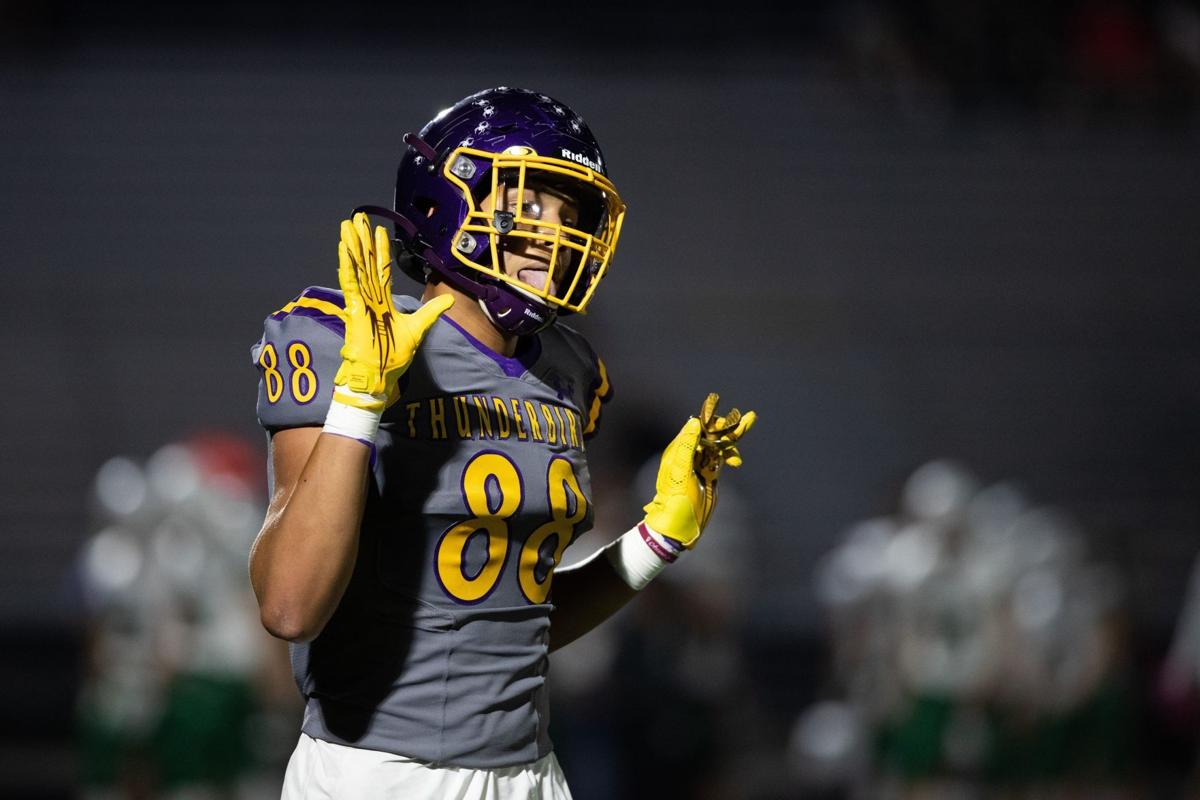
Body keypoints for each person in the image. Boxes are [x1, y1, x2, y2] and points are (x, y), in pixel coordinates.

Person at [248, 87, 755, 798]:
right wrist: (361, 399)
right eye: (529, 205)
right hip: (384, 774)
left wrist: (651, 545)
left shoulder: (568, 374)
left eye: (570, 212)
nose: (556, 233)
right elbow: (289, 606)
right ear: (444, 203)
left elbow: (513, 626)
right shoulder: (340, 337)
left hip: (530, 771)